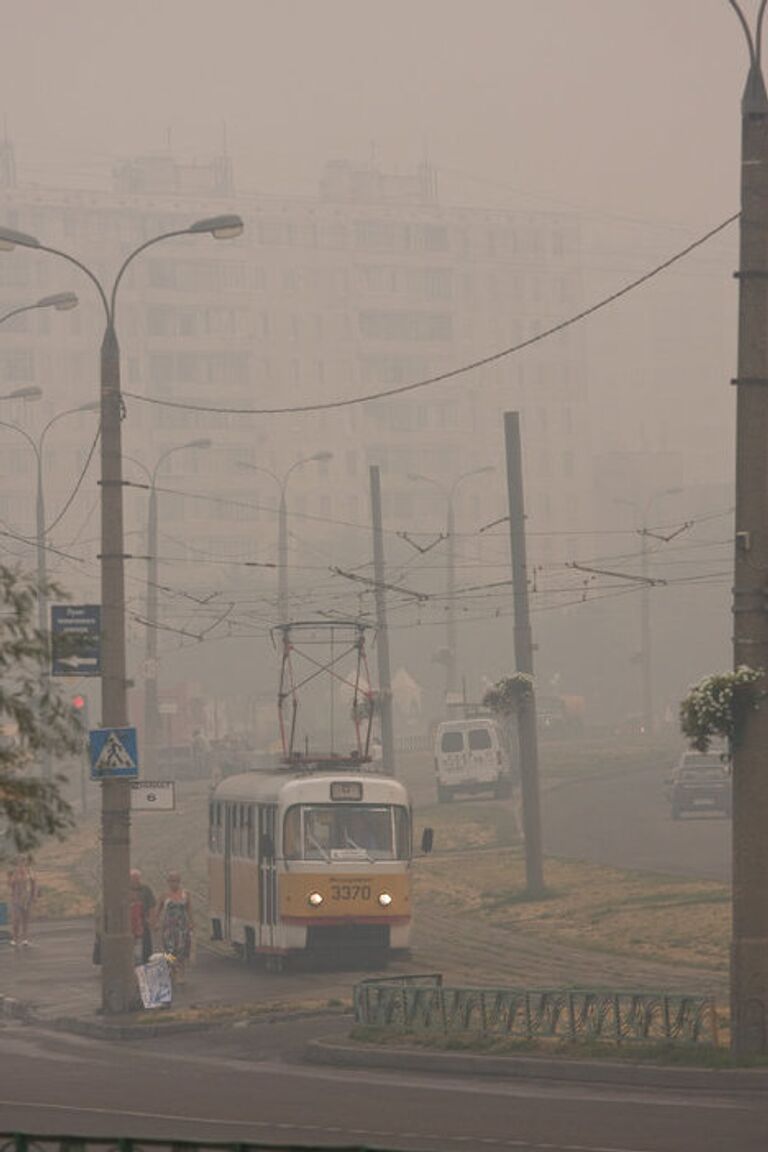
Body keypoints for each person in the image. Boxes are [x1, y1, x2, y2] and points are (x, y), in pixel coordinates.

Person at [158, 871, 193, 981]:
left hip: (182, 927)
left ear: (179, 881)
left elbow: (189, 909)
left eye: (176, 881)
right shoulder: (164, 895)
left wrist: (191, 922)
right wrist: (155, 922)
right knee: (169, 950)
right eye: (172, 881)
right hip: (169, 927)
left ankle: (181, 973)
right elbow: (157, 909)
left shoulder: (185, 894)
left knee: (182, 949)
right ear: (168, 882)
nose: (174, 884)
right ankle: (172, 970)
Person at [7, 855, 36, 947]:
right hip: (16, 899)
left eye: (24, 861)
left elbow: (34, 884)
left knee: (25, 920)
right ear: (17, 863)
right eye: (20, 862)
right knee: (16, 920)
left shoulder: (30, 872)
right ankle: (15, 939)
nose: (22, 863)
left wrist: (33, 897)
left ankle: (25, 939)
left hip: (27, 899)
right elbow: (10, 885)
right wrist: (11, 877)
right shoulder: (13, 873)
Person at [129, 869, 156, 964]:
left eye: (137, 879)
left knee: (144, 944)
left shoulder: (146, 889)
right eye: (133, 879)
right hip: (129, 922)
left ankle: (144, 961)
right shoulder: (125, 889)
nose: (135, 881)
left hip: (143, 920)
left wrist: (152, 921)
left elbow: (152, 906)